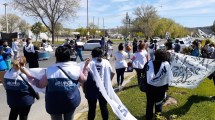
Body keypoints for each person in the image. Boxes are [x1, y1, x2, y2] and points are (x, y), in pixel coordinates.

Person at [31, 46, 90, 120]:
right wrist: (86, 67)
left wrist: (31, 78)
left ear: (56, 56)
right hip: (71, 101)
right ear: (69, 56)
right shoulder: (75, 69)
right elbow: (83, 80)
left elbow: (41, 84)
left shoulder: (49, 70)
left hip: (54, 103)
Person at [84, 47, 114, 120]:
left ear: (92, 54)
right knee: (103, 107)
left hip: (91, 88)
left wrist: (84, 88)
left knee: (91, 108)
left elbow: (84, 76)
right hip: (103, 88)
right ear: (102, 54)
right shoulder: (106, 62)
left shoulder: (89, 63)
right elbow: (112, 73)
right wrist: (108, 81)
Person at [144, 49, 173, 120]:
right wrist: (166, 87)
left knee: (149, 104)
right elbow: (168, 77)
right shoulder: (166, 65)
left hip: (150, 88)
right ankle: (158, 118)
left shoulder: (148, 63)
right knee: (159, 104)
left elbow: (144, 74)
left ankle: (148, 118)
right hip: (161, 88)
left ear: (155, 55)